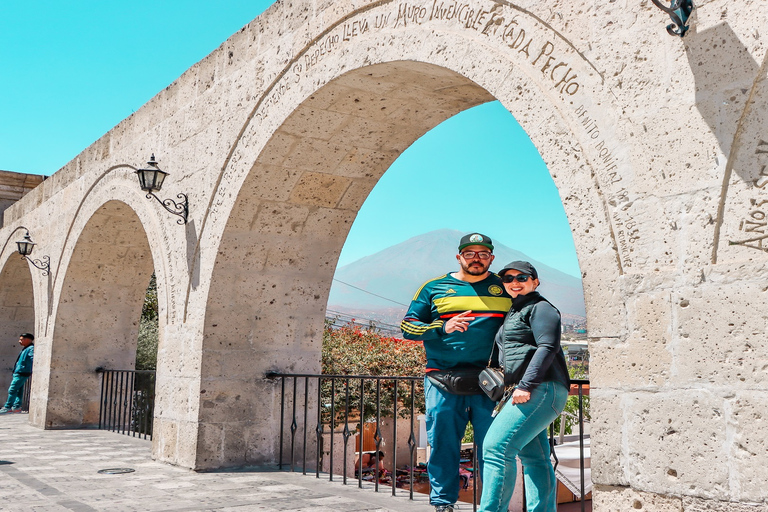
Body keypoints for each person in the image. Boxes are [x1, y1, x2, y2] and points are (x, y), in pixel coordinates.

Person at [401, 233, 511, 512]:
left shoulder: (505, 287)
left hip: (492, 382)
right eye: (470, 253)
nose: (477, 258)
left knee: (494, 448)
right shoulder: (434, 287)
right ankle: (443, 503)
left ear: (491, 258)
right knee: (442, 444)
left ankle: (493, 506)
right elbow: (408, 328)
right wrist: (442, 327)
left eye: (483, 254)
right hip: (442, 380)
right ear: (459, 256)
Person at [478, 261, 571, 512]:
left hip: (538, 389)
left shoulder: (541, 308)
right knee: (535, 458)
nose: (514, 282)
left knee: (495, 449)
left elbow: (547, 347)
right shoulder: (516, 310)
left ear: (535, 281)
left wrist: (526, 385)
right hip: (528, 391)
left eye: (522, 277)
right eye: (508, 279)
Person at [0, 333, 35, 414]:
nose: (19, 341)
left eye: (21, 339)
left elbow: (33, 358)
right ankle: (16, 407)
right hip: (20, 372)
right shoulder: (26, 348)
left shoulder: (30, 349)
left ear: (27, 339)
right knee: (19, 391)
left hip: (22, 372)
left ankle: (8, 407)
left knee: (12, 389)